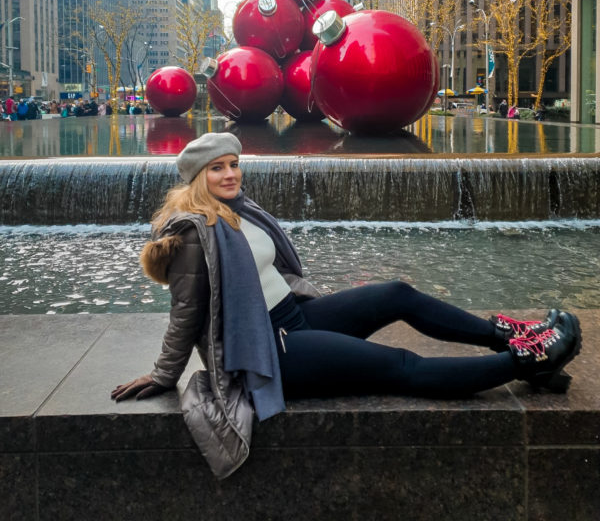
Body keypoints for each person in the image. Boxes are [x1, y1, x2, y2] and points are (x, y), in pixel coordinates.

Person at [111, 132, 582, 479]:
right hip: (269, 353)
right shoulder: (191, 234)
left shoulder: (239, 209)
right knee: (399, 365)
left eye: (233, 164)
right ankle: (530, 360)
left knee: (397, 293)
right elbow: (185, 313)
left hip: (290, 316)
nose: (230, 173)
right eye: (217, 168)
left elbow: (274, 274)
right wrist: (163, 374)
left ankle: (511, 337)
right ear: (197, 178)